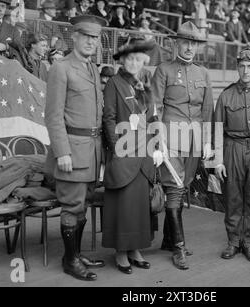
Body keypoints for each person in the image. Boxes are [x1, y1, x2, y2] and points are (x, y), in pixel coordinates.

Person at [44, 15, 105, 281]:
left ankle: (76, 254)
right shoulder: (61, 67)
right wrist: (62, 152)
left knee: (83, 205)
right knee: (72, 207)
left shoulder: (92, 67)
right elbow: (53, 116)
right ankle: (70, 261)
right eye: (87, 37)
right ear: (75, 37)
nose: (92, 42)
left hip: (92, 151)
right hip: (72, 151)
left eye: (96, 38)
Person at [151, 21, 214, 270]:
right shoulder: (164, 70)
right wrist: (157, 142)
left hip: (194, 141)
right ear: (176, 43)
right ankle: (178, 247)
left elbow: (207, 109)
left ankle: (168, 240)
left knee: (183, 187)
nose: (189, 47)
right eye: (185, 42)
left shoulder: (203, 73)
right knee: (175, 190)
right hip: (170, 140)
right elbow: (154, 107)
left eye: (193, 43)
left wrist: (208, 140)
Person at [102, 38, 158, 274]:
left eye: (139, 59)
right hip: (123, 153)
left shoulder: (145, 83)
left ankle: (135, 249)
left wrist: (156, 147)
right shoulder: (114, 83)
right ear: (123, 60)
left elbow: (153, 117)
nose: (134, 63)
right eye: (130, 58)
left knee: (138, 206)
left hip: (144, 154)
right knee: (123, 206)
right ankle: (121, 252)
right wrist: (117, 149)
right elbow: (109, 119)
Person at [214, 46, 250, 262]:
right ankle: (232, 241)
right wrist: (218, 160)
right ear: (237, 68)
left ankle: (248, 241)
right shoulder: (226, 95)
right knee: (233, 197)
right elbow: (217, 129)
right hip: (233, 148)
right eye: (242, 66)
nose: (246, 71)